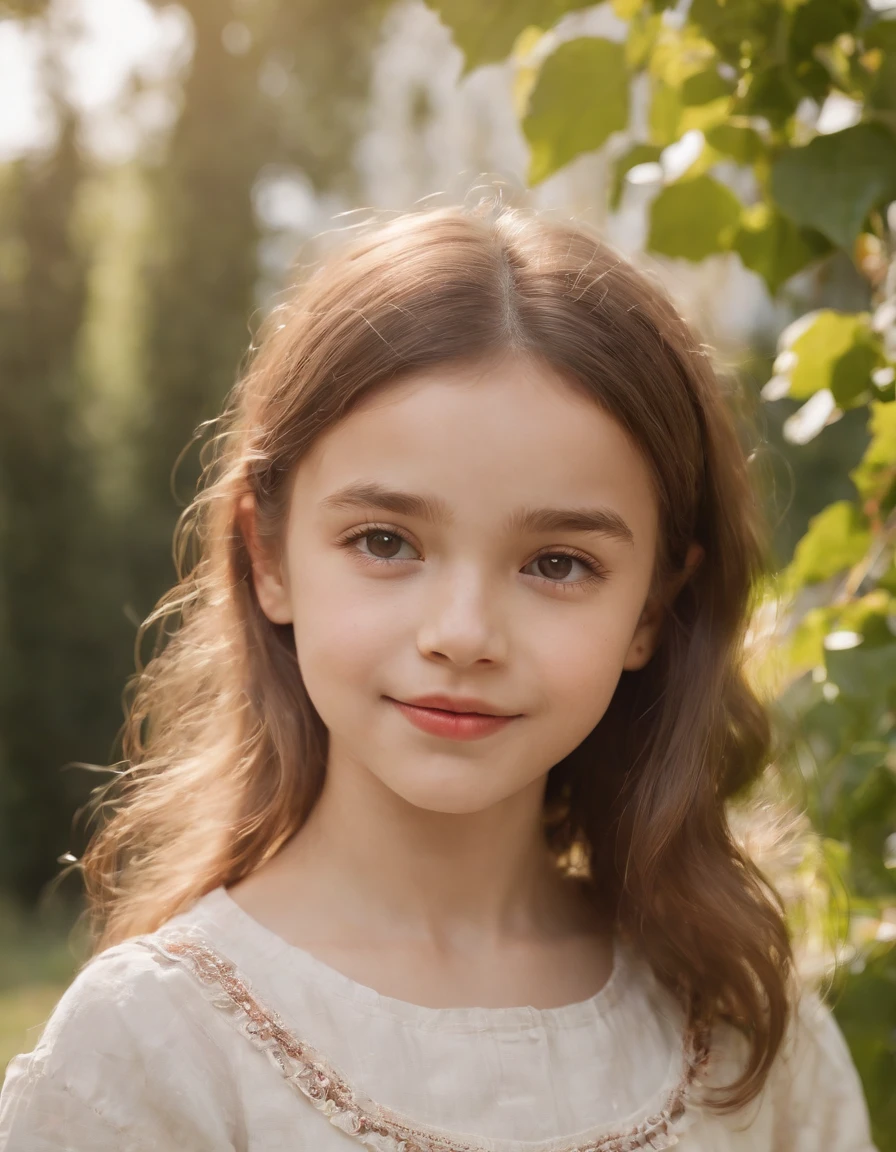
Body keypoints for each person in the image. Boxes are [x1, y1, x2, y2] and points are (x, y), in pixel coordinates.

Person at [0, 200, 878, 1151]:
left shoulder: (748, 1039)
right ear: (271, 558)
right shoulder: (151, 1058)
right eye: (385, 541)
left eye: (557, 563)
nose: (463, 636)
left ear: (654, 610)